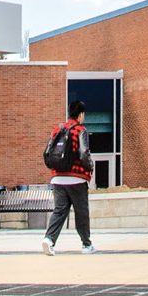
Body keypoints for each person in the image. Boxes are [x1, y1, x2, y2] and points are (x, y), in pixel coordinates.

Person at [41, 100, 95, 255]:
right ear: (81, 114)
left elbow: (47, 151)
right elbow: (84, 153)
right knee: (81, 212)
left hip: (57, 178)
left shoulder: (57, 129)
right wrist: (89, 167)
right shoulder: (80, 130)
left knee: (59, 211)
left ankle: (49, 239)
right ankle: (86, 244)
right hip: (76, 178)